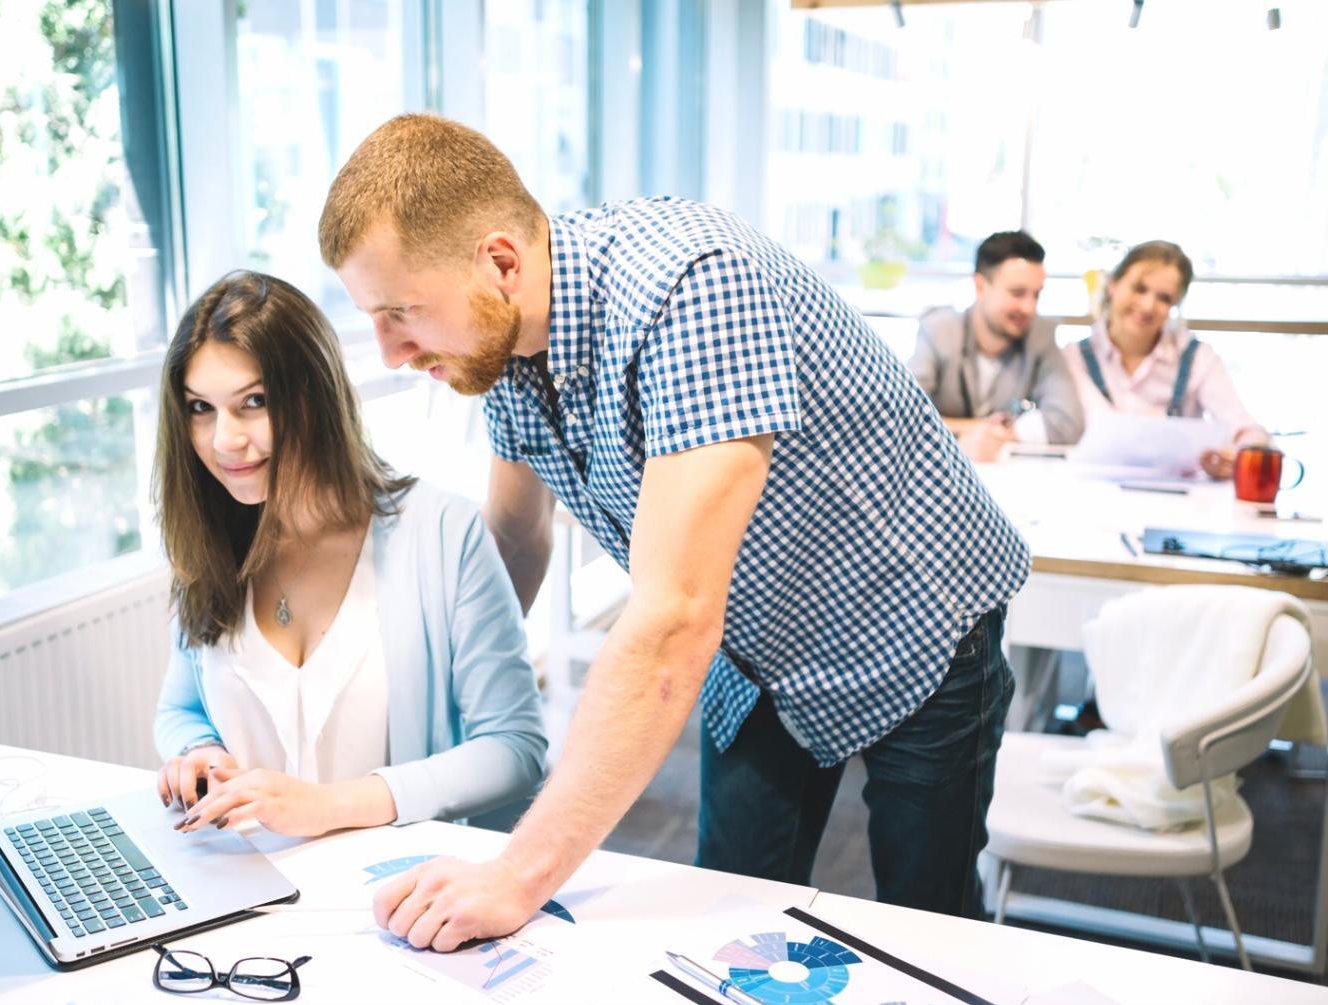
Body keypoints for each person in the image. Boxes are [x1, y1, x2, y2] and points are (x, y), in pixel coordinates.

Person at [319, 114, 1030, 950]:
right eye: (373, 317)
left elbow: (672, 618)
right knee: (726, 911)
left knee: (927, 924)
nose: (392, 351)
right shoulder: (497, 341)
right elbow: (514, 540)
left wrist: (516, 875)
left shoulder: (690, 287)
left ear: (501, 262)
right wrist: (427, 705)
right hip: (758, 643)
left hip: (910, 615)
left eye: (402, 312)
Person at [150, 271, 546, 838]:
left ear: (314, 396)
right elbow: (180, 710)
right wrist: (197, 752)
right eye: (200, 409)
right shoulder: (210, 537)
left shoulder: (442, 533)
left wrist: (329, 806)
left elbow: (514, 749)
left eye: (253, 402)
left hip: (391, 892)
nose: (224, 441)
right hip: (239, 882)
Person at [1064, 240, 1268, 479]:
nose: (1148, 305)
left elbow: (1247, 429)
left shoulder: (1198, 358)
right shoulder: (1074, 358)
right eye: (1139, 289)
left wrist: (1238, 457)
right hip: (1096, 492)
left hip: (1180, 502)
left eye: (1164, 298)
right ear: (1113, 285)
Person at [910, 231, 1084, 461]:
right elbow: (904, 416)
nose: (1029, 308)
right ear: (980, 286)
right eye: (1017, 293)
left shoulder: (1041, 336)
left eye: (1036, 295)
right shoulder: (939, 331)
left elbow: (1068, 422)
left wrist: (995, 435)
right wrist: (979, 429)